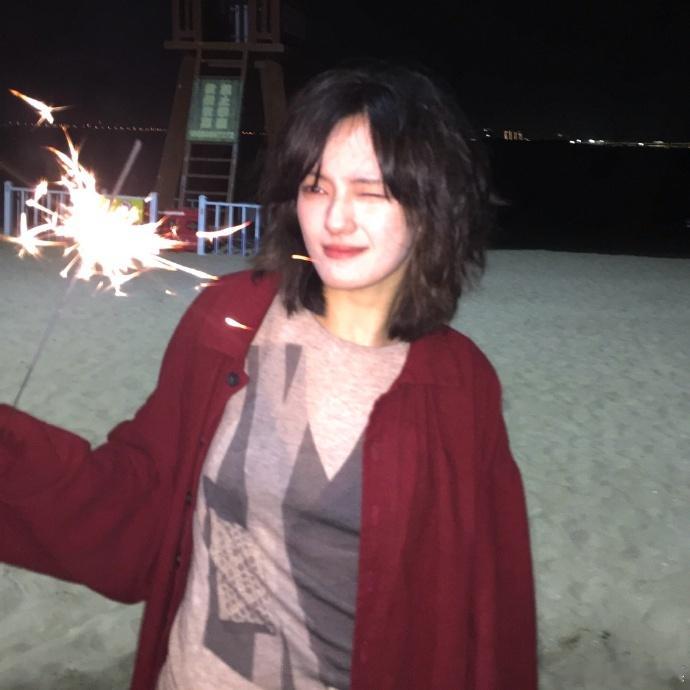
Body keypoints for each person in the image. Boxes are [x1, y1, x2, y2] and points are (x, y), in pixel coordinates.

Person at [0, 62, 537, 689]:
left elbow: (486, 608)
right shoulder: (229, 319)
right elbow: (140, 504)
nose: (335, 219)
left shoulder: (459, 385)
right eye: (316, 187)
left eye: (370, 192)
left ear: (431, 206)